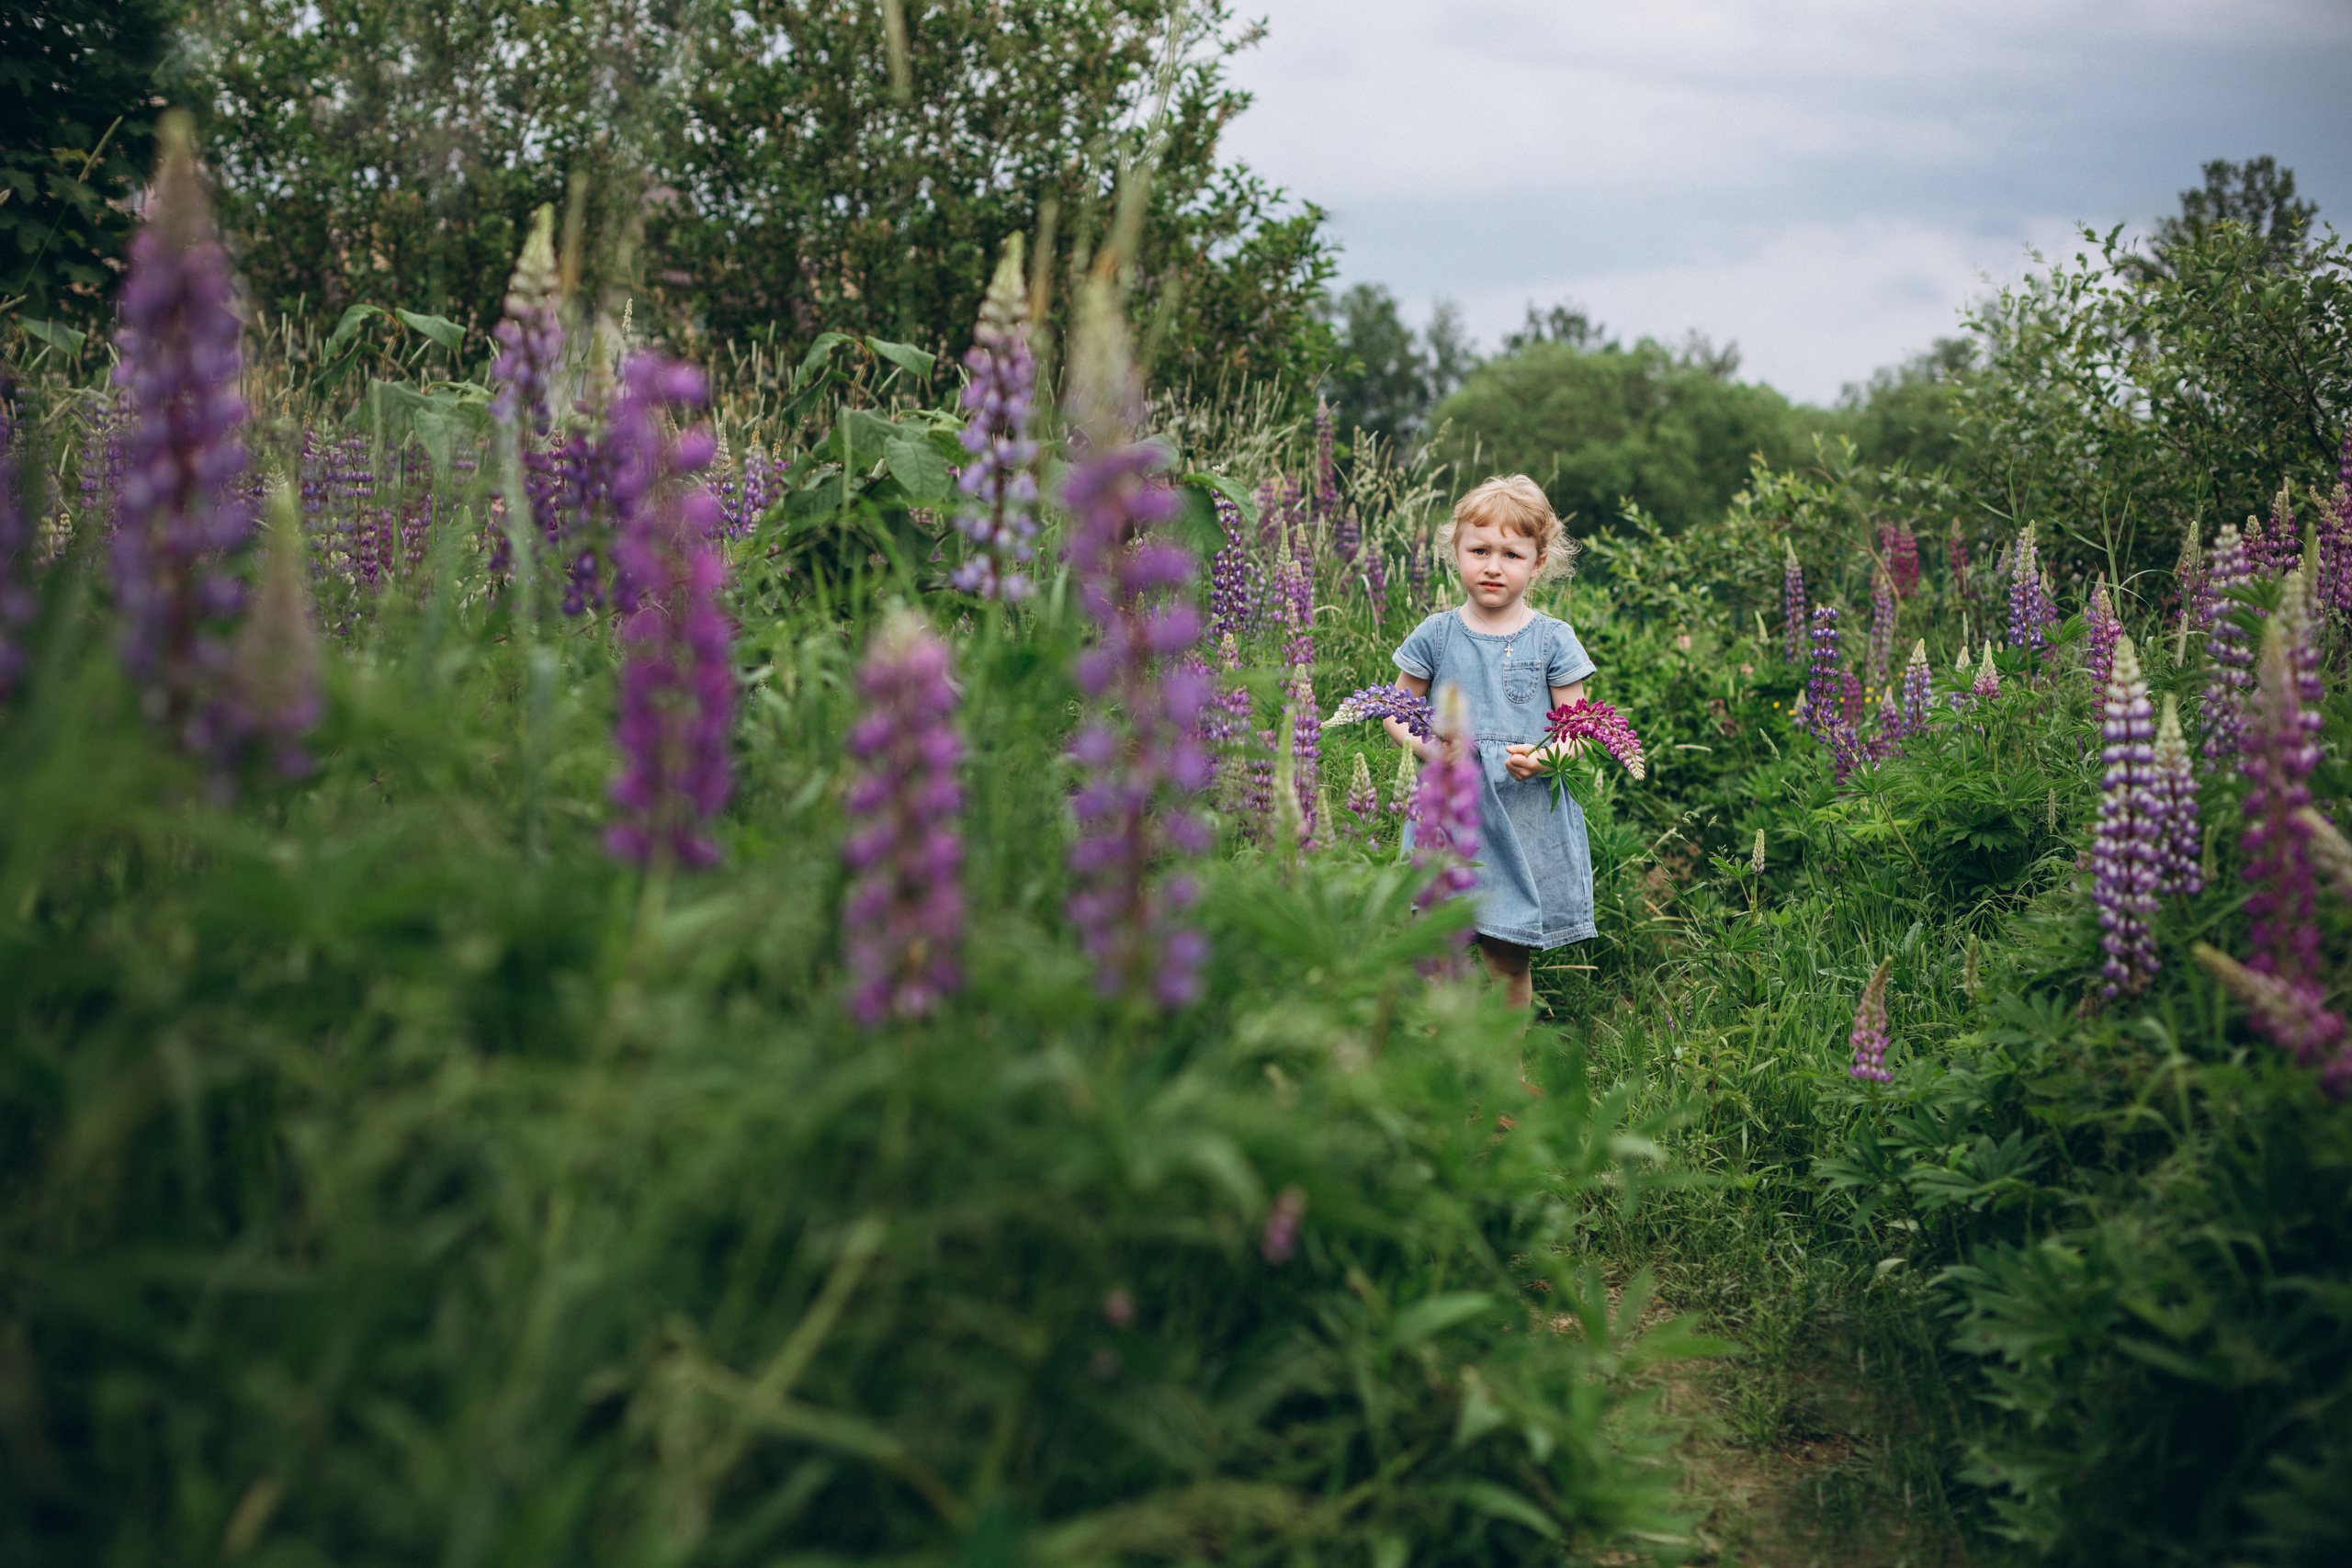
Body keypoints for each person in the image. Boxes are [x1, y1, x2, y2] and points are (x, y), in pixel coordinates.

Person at [1383, 475, 1599, 1009]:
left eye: (1511, 553)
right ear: (1455, 552)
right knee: (1436, 951)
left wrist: (1548, 756)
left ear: (1538, 561)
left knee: (1508, 959)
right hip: (1449, 810)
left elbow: (1578, 729)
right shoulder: (1437, 633)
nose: (1493, 566)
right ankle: (1440, 1068)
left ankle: (1503, 1073)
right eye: (1479, 550)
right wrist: (1430, 746)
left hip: (1524, 815)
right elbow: (1395, 711)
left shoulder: (1553, 637)